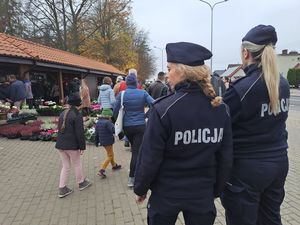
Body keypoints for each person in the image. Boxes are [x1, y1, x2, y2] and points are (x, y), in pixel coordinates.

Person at [133, 42, 233, 225]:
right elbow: (225, 157)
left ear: (182, 71)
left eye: (169, 69)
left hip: (166, 193)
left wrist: (141, 188)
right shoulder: (220, 109)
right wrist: (216, 190)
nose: (167, 75)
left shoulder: (163, 109)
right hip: (202, 193)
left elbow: (149, 157)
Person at [220, 25, 290, 225]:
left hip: (247, 169)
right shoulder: (282, 84)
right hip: (278, 163)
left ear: (246, 52)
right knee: (270, 218)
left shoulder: (241, 88)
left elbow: (221, 126)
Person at [113, 70, 154, 187]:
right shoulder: (143, 93)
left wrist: (118, 120)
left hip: (127, 127)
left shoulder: (122, 94)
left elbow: (115, 111)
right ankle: (132, 177)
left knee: (135, 150)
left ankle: (135, 173)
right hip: (140, 125)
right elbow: (154, 104)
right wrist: (147, 115)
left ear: (126, 83)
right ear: (136, 83)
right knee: (136, 151)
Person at [55, 92, 92, 198]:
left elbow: (59, 129)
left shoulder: (63, 113)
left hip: (60, 145)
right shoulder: (77, 114)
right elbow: (79, 133)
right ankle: (81, 182)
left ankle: (62, 188)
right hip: (71, 145)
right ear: (79, 104)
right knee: (77, 163)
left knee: (65, 166)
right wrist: (82, 147)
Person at [95, 108, 122, 178]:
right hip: (108, 141)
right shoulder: (108, 122)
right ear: (108, 116)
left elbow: (96, 133)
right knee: (110, 155)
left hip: (102, 141)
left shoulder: (98, 122)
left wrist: (96, 142)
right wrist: (115, 126)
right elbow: (113, 131)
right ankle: (102, 169)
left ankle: (114, 165)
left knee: (110, 153)